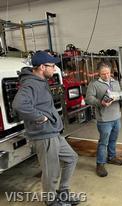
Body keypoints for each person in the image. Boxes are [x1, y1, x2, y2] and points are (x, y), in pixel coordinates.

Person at [12, 51, 79, 206]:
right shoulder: (31, 84)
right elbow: (19, 104)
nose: (55, 69)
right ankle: (51, 201)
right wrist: (40, 117)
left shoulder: (40, 81)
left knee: (71, 158)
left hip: (52, 132)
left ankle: (63, 192)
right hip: (43, 134)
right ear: (42, 67)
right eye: (52, 66)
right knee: (51, 171)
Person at [85, 61, 122, 177]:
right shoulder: (94, 84)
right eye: (103, 74)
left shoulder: (115, 82)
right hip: (104, 120)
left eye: (108, 73)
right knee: (103, 142)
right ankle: (100, 164)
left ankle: (112, 157)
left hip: (116, 117)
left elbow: (118, 96)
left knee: (113, 140)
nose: (107, 76)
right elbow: (88, 99)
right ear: (98, 73)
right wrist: (100, 102)